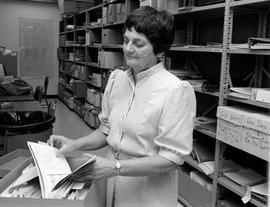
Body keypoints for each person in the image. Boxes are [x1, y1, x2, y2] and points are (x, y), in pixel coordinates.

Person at [48, 6, 196, 207]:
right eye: (126, 40)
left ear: (159, 50)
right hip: (112, 181)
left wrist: (114, 167)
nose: (128, 49)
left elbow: (171, 158)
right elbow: (106, 131)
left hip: (148, 191)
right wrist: (73, 144)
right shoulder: (117, 80)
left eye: (138, 43)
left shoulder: (175, 90)